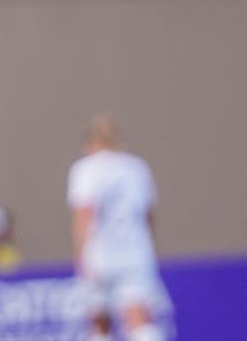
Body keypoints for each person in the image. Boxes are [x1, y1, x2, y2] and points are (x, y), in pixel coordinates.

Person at [68, 113, 171, 341]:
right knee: (138, 317)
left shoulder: (85, 169)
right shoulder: (137, 168)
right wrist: (149, 248)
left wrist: (80, 256)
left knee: (99, 322)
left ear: (91, 142)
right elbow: (148, 216)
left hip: (99, 254)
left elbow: (84, 215)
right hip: (135, 252)